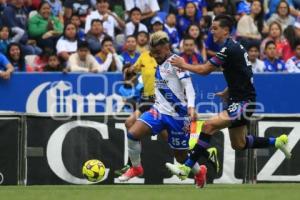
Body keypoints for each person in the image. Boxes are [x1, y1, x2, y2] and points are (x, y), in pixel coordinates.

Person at [166, 15, 291, 183]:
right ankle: (277, 141)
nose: (212, 31)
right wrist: (228, 90)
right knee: (239, 144)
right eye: (211, 27)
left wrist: (183, 64)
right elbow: (243, 74)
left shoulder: (228, 49)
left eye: (215, 28)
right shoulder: (234, 47)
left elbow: (204, 70)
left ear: (226, 30)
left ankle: (186, 167)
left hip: (244, 102)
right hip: (238, 99)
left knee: (208, 125)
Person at [117, 31, 207, 188]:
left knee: (180, 157)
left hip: (178, 116)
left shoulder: (176, 62)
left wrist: (191, 107)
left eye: (158, 53)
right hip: (158, 111)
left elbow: (189, 86)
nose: (155, 56)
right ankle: (136, 168)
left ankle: (199, 172)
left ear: (167, 48)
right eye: (153, 54)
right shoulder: (158, 62)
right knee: (133, 134)